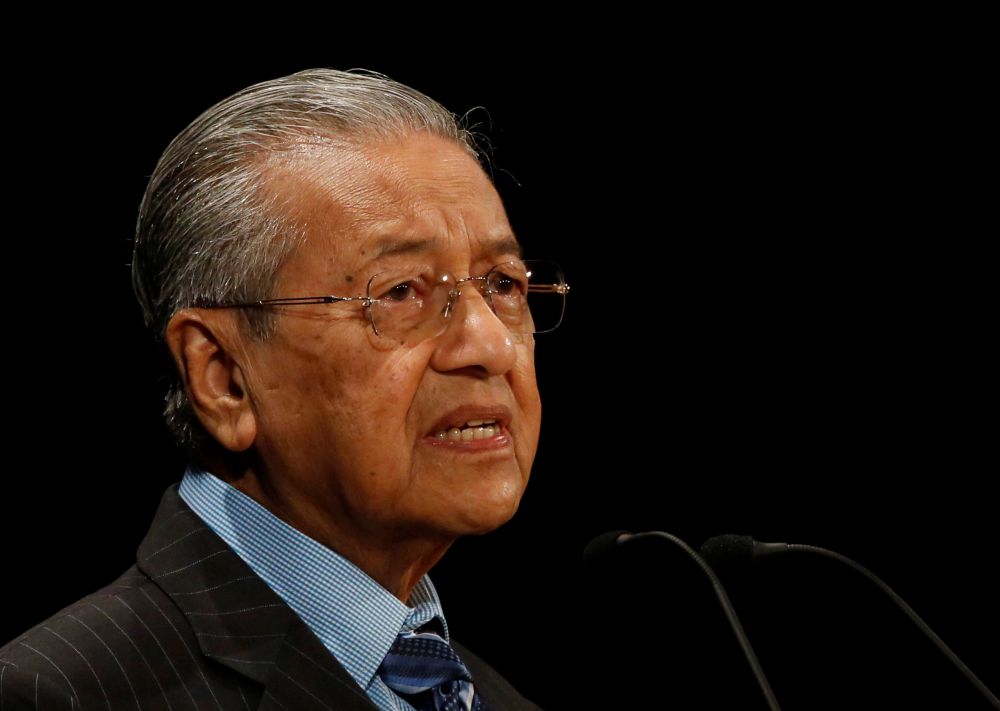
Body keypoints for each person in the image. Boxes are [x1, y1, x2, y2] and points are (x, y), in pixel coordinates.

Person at [0, 68, 567, 710]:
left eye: (502, 285)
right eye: (402, 292)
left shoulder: (493, 701)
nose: (489, 345)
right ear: (224, 378)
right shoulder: (57, 696)